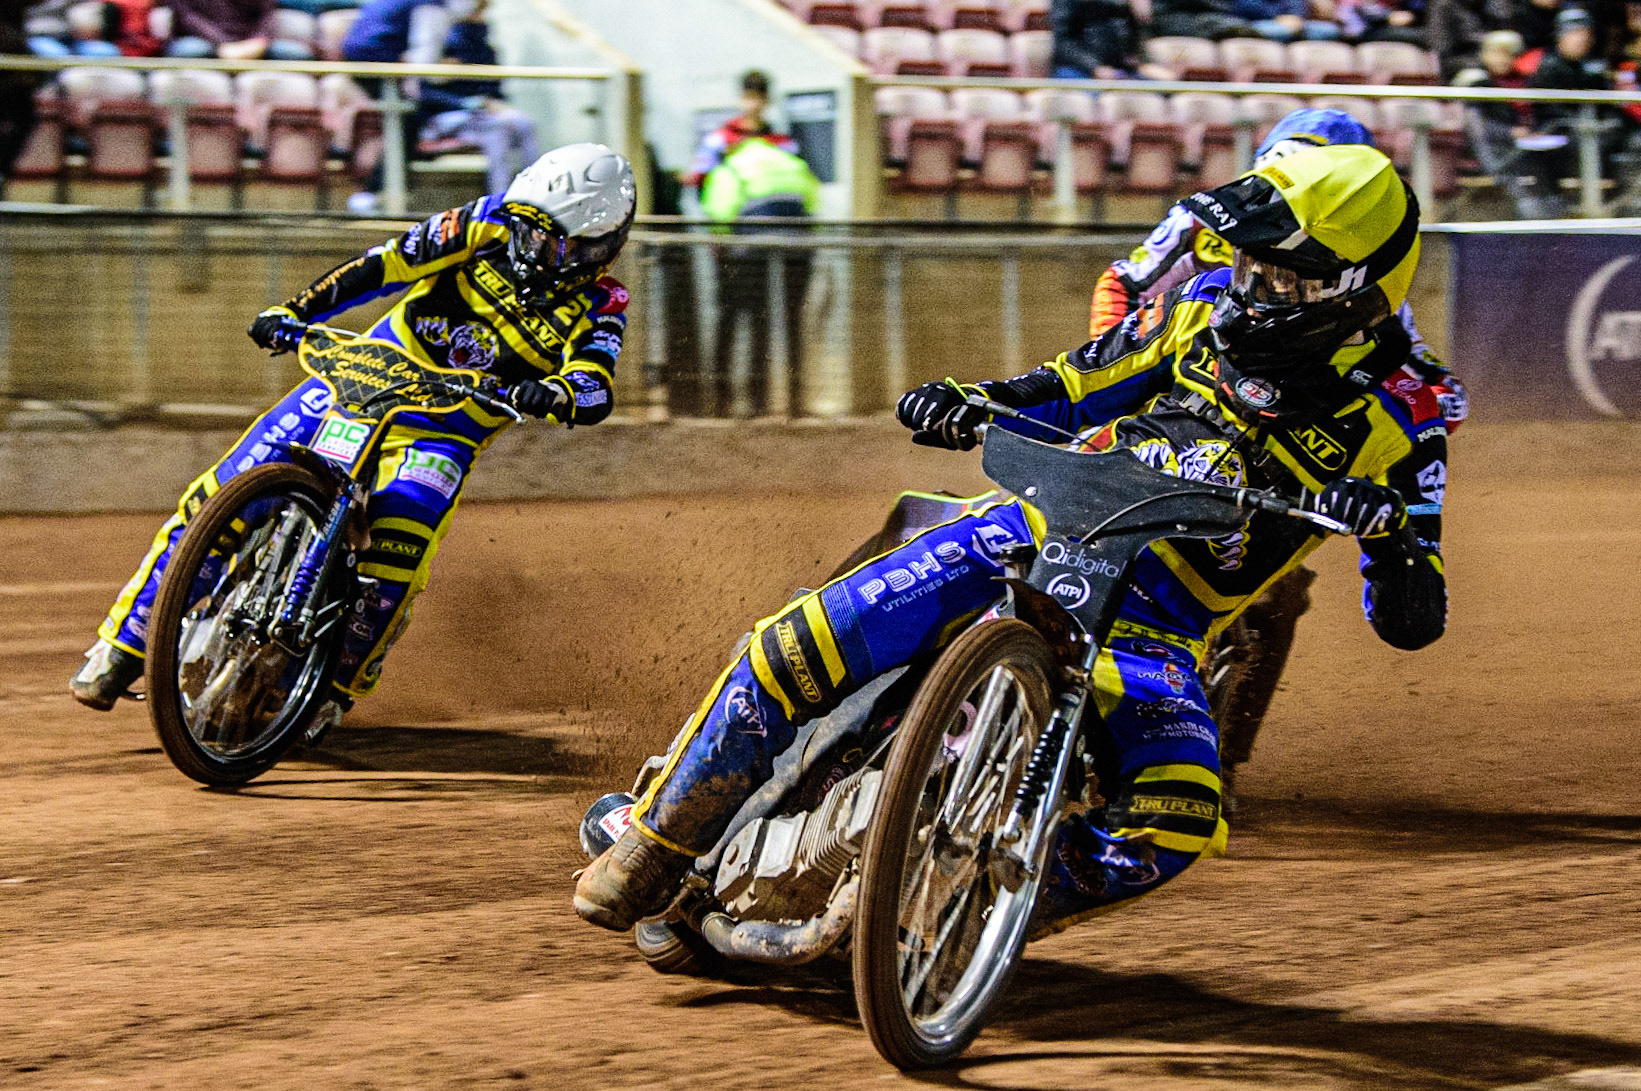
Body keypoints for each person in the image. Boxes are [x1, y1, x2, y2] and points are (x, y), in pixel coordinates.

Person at [575, 144, 1451, 935]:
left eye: (1281, 277)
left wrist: (1400, 546)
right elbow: (1068, 386)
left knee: (1177, 815)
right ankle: (653, 843)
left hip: (1156, 631)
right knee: (801, 639)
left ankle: (977, 916)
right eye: (1251, 263)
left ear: (1355, 289)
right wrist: (970, 398)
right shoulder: (1197, 311)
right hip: (1034, 535)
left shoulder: (1407, 415)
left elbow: (1413, 619)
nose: (1251, 286)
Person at [70, 145, 637, 727]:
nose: (536, 247)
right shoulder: (482, 221)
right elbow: (382, 266)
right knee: (223, 490)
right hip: (360, 378)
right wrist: (295, 310)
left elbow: (596, 380)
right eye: (529, 228)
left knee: (399, 553)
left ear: (603, 245)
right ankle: (123, 647)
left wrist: (562, 394)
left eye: (559, 240)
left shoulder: (603, 302)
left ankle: (332, 689)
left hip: (446, 428)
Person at [1082, 108, 1463, 805]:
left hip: (1261, 444)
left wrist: (1432, 398)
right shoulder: (1202, 222)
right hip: (1164, 384)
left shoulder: (1355, 262)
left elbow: (1416, 368)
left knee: (1277, 588)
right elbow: (1122, 286)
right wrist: (1123, 374)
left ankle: (1220, 761)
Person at [692, 70, 820, 417]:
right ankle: (718, 400)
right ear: (741, 98)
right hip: (731, 247)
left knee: (763, 323)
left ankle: (759, 402)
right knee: (730, 319)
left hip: (767, 248)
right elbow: (702, 183)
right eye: (749, 95)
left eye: (759, 95)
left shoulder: (783, 141)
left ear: (766, 99)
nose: (754, 102)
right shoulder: (719, 139)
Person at [342, 0, 469, 213]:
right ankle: (375, 194)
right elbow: (425, 63)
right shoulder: (432, 6)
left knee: (407, 118)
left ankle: (378, 194)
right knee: (409, 119)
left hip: (365, 57)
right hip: (378, 62)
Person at [416, 0, 541, 196]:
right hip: (443, 117)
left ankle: (535, 194)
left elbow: (493, 88)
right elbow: (424, 92)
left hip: (481, 115)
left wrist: (491, 103)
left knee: (524, 123)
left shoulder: (482, 47)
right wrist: (471, 103)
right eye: (476, 8)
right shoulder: (439, 38)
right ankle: (501, 202)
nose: (480, 14)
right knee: (498, 132)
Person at [165, 0, 314, 58]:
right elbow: (187, 18)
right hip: (205, 41)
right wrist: (222, 44)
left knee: (298, 55)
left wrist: (257, 42)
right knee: (189, 51)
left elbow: (267, 15)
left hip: (251, 44)